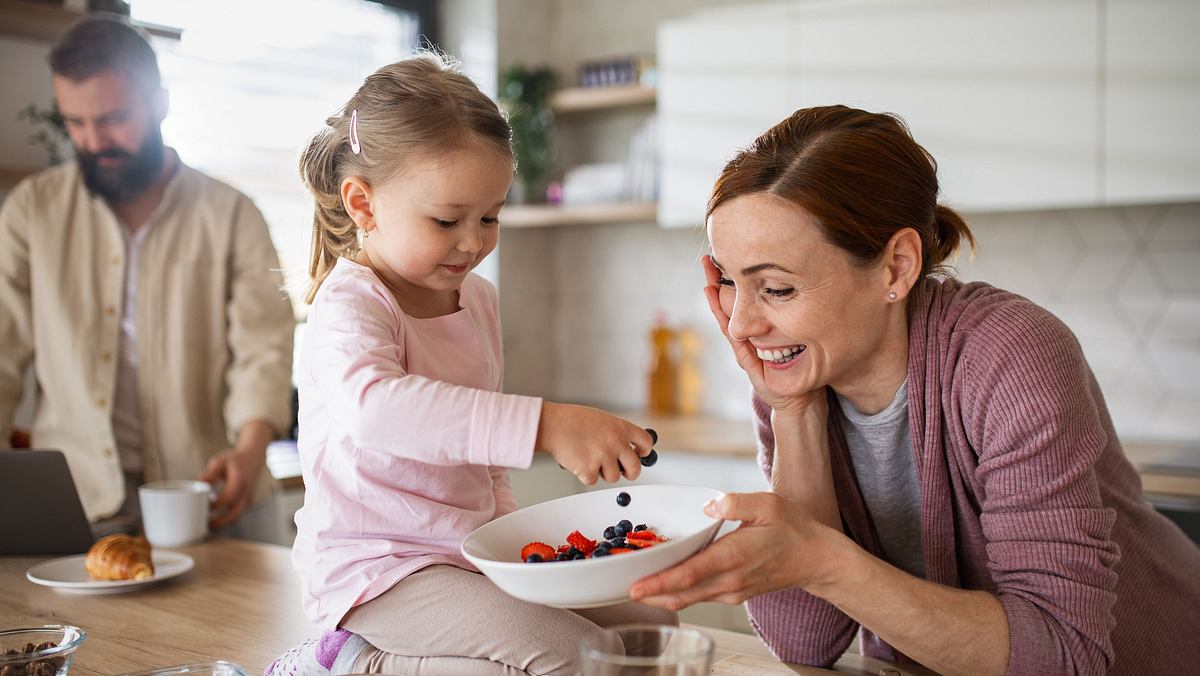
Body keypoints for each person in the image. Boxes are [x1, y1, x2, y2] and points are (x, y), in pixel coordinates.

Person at [628, 106, 1200, 675]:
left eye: (776, 287)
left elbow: (1064, 656)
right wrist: (794, 415)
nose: (740, 325)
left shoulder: (1010, 355)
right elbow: (805, 643)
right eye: (729, 281)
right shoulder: (798, 374)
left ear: (896, 267)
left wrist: (824, 562)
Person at [266, 53, 674, 676]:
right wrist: (546, 425)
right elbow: (377, 410)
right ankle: (348, 663)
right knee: (564, 657)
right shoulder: (349, 305)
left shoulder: (477, 298)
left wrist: (509, 543)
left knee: (649, 625)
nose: (473, 241)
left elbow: (480, 463)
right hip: (378, 569)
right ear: (363, 204)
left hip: (466, 552)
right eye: (447, 220)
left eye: (490, 216)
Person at [0, 16, 295, 537]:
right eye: (75, 122)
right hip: (77, 502)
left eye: (114, 118)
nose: (94, 141)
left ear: (159, 102)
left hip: (215, 496)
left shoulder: (232, 213)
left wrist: (250, 450)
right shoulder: (32, 210)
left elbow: (264, 349)